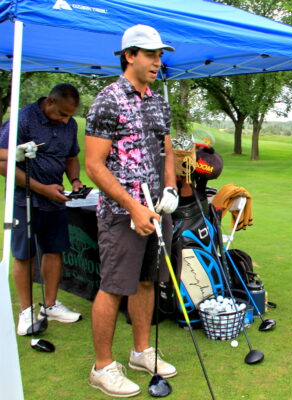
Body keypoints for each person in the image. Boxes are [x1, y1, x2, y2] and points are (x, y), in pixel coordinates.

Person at [85, 24, 179, 398]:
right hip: (121, 212)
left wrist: (170, 188)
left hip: (156, 208)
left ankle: (141, 351)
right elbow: (94, 165)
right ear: (129, 56)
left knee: (146, 281)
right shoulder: (108, 100)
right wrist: (133, 207)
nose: (157, 62)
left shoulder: (158, 101)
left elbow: (166, 149)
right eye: (150, 54)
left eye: (160, 55)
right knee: (113, 286)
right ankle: (102, 367)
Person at [0, 83, 83, 337]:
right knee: (24, 254)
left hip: (54, 199)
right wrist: (41, 188)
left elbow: (71, 157)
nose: (66, 120)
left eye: (70, 115)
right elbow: (3, 161)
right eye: (62, 114)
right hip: (24, 198)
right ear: (50, 102)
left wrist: (75, 181)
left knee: (54, 250)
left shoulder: (69, 125)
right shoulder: (23, 119)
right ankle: (26, 312)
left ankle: (50, 305)